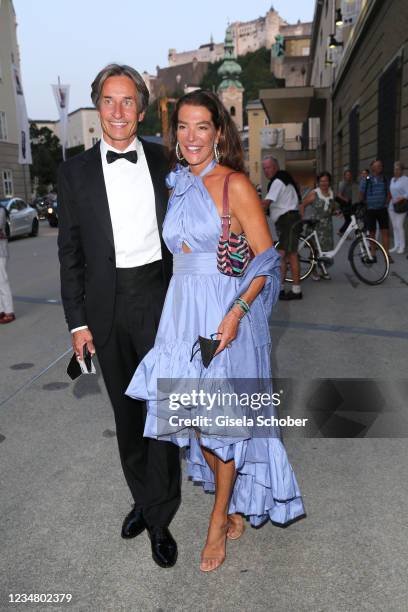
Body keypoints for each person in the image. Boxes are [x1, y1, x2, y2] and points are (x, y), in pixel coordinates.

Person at [126, 90, 305, 573]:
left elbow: (268, 263)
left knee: (219, 422)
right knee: (198, 421)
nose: (191, 137)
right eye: (183, 127)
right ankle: (233, 500)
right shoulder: (176, 184)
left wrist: (234, 315)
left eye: (201, 126)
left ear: (218, 132)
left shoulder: (236, 185)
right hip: (181, 312)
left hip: (223, 315)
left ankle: (218, 517)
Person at [57, 64, 181, 569]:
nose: (118, 111)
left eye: (128, 101)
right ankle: (144, 498)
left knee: (164, 412)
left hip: (158, 297)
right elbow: (69, 253)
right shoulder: (73, 173)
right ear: (97, 107)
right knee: (128, 416)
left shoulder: (164, 161)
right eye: (108, 100)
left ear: (141, 109)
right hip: (105, 308)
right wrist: (77, 323)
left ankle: (160, 515)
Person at [261, 156, 302, 300]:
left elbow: (266, 203)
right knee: (282, 256)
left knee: (290, 254)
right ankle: (280, 289)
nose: (266, 171)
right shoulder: (282, 178)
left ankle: (296, 291)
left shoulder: (278, 181)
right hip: (285, 221)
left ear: (276, 167)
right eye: (264, 168)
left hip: (288, 220)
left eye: (269, 167)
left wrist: (249, 208)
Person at [299, 171, 336, 280]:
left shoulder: (331, 192)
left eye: (326, 181)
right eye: (322, 181)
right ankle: (313, 271)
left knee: (324, 250)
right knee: (314, 250)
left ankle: (323, 269)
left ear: (329, 182)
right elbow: (302, 205)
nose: (324, 183)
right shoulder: (314, 193)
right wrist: (301, 219)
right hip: (315, 225)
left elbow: (331, 207)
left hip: (327, 226)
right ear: (318, 182)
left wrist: (335, 211)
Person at [359, 159, 391, 258]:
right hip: (371, 210)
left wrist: (386, 203)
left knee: (385, 232)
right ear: (372, 168)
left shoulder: (385, 179)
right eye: (377, 166)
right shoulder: (367, 179)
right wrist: (364, 204)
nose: (379, 167)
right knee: (372, 232)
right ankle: (372, 252)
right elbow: (361, 193)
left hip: (382, 209)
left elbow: (389, 193)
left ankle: (387, 254)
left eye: (380, 166)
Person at [388, 161, 408, 254]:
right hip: (392, 206)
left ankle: (402, 246)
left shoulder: (405, 179)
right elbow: (391, 192)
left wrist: (401, 198)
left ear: (402, 170)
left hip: (401, 206)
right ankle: (396, 245)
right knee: (394, 226)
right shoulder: (392, 179)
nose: (396, 171)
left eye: (398, 169)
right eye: (395, 169)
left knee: (399, 226)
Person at [0, 205, 15, 324]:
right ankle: (1, 310)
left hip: (1, 251)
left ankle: (9, 312)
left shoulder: (1, 210)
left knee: (2, 281)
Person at [336, 170, 353, 237]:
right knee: (349, 220)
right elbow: (339, 195)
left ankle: (343, 232)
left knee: (349, 220)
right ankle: (341, 232)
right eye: (347, 175)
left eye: (349, 175)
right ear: (344, 176)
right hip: (345, 204)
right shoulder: (343, 184)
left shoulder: (349, 183)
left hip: (348, 203)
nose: (349, 176)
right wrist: (346, 199)